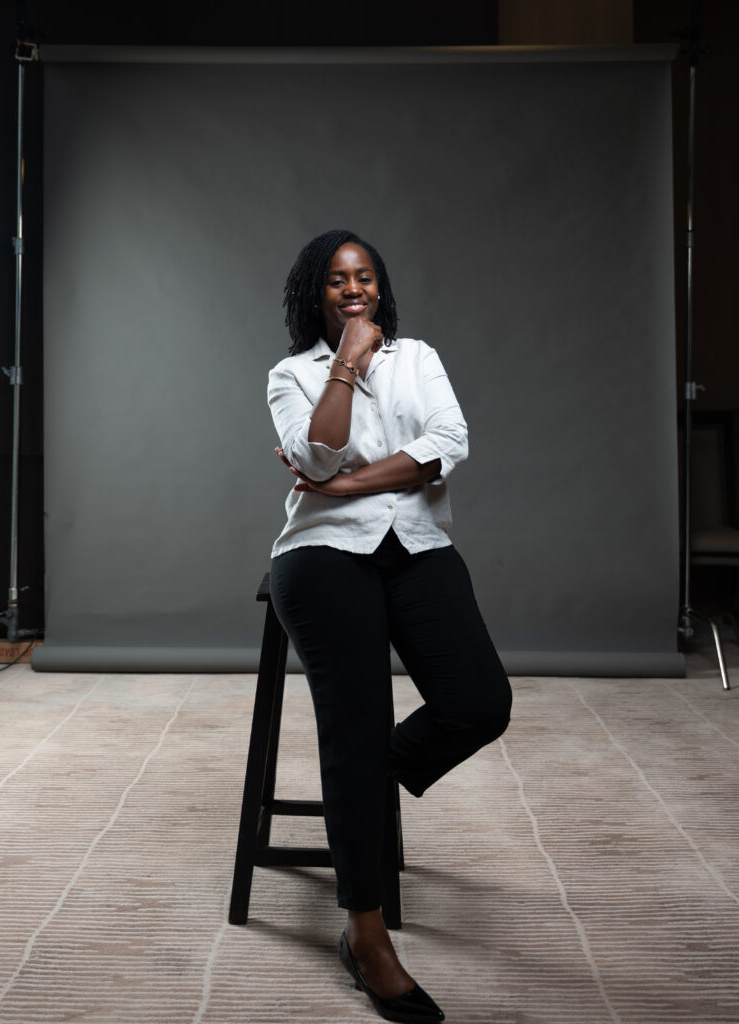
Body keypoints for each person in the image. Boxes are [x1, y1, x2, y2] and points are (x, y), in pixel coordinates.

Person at [268, 229, 512, 1024]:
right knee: (354, 720)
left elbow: (448, 442)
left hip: (413, 542)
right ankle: (365, 936)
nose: (352, 289)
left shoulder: (420, 359)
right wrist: (346, 362)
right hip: (320, 552)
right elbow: (317, 447)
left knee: (477, 701)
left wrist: (343, 485)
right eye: (337, 280)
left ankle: (367, 778)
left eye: (363, 277)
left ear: (379, 287)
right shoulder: (290, 373)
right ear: (317, 294)